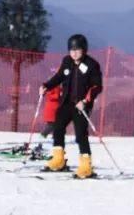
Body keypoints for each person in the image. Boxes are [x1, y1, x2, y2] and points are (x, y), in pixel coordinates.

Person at [41, 33, 103, 178]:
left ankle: (86, 166)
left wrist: (86, 101)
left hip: (81, 105)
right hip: (66, 102)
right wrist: (46, 86)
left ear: (84, 50)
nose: (74, 53)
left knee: (81, 134)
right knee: (58, 126)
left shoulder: (92, 65)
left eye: (77, 50)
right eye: (71, 50)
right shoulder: (67, 61)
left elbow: (97, 86)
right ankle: (58, 159)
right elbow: (59, 77)